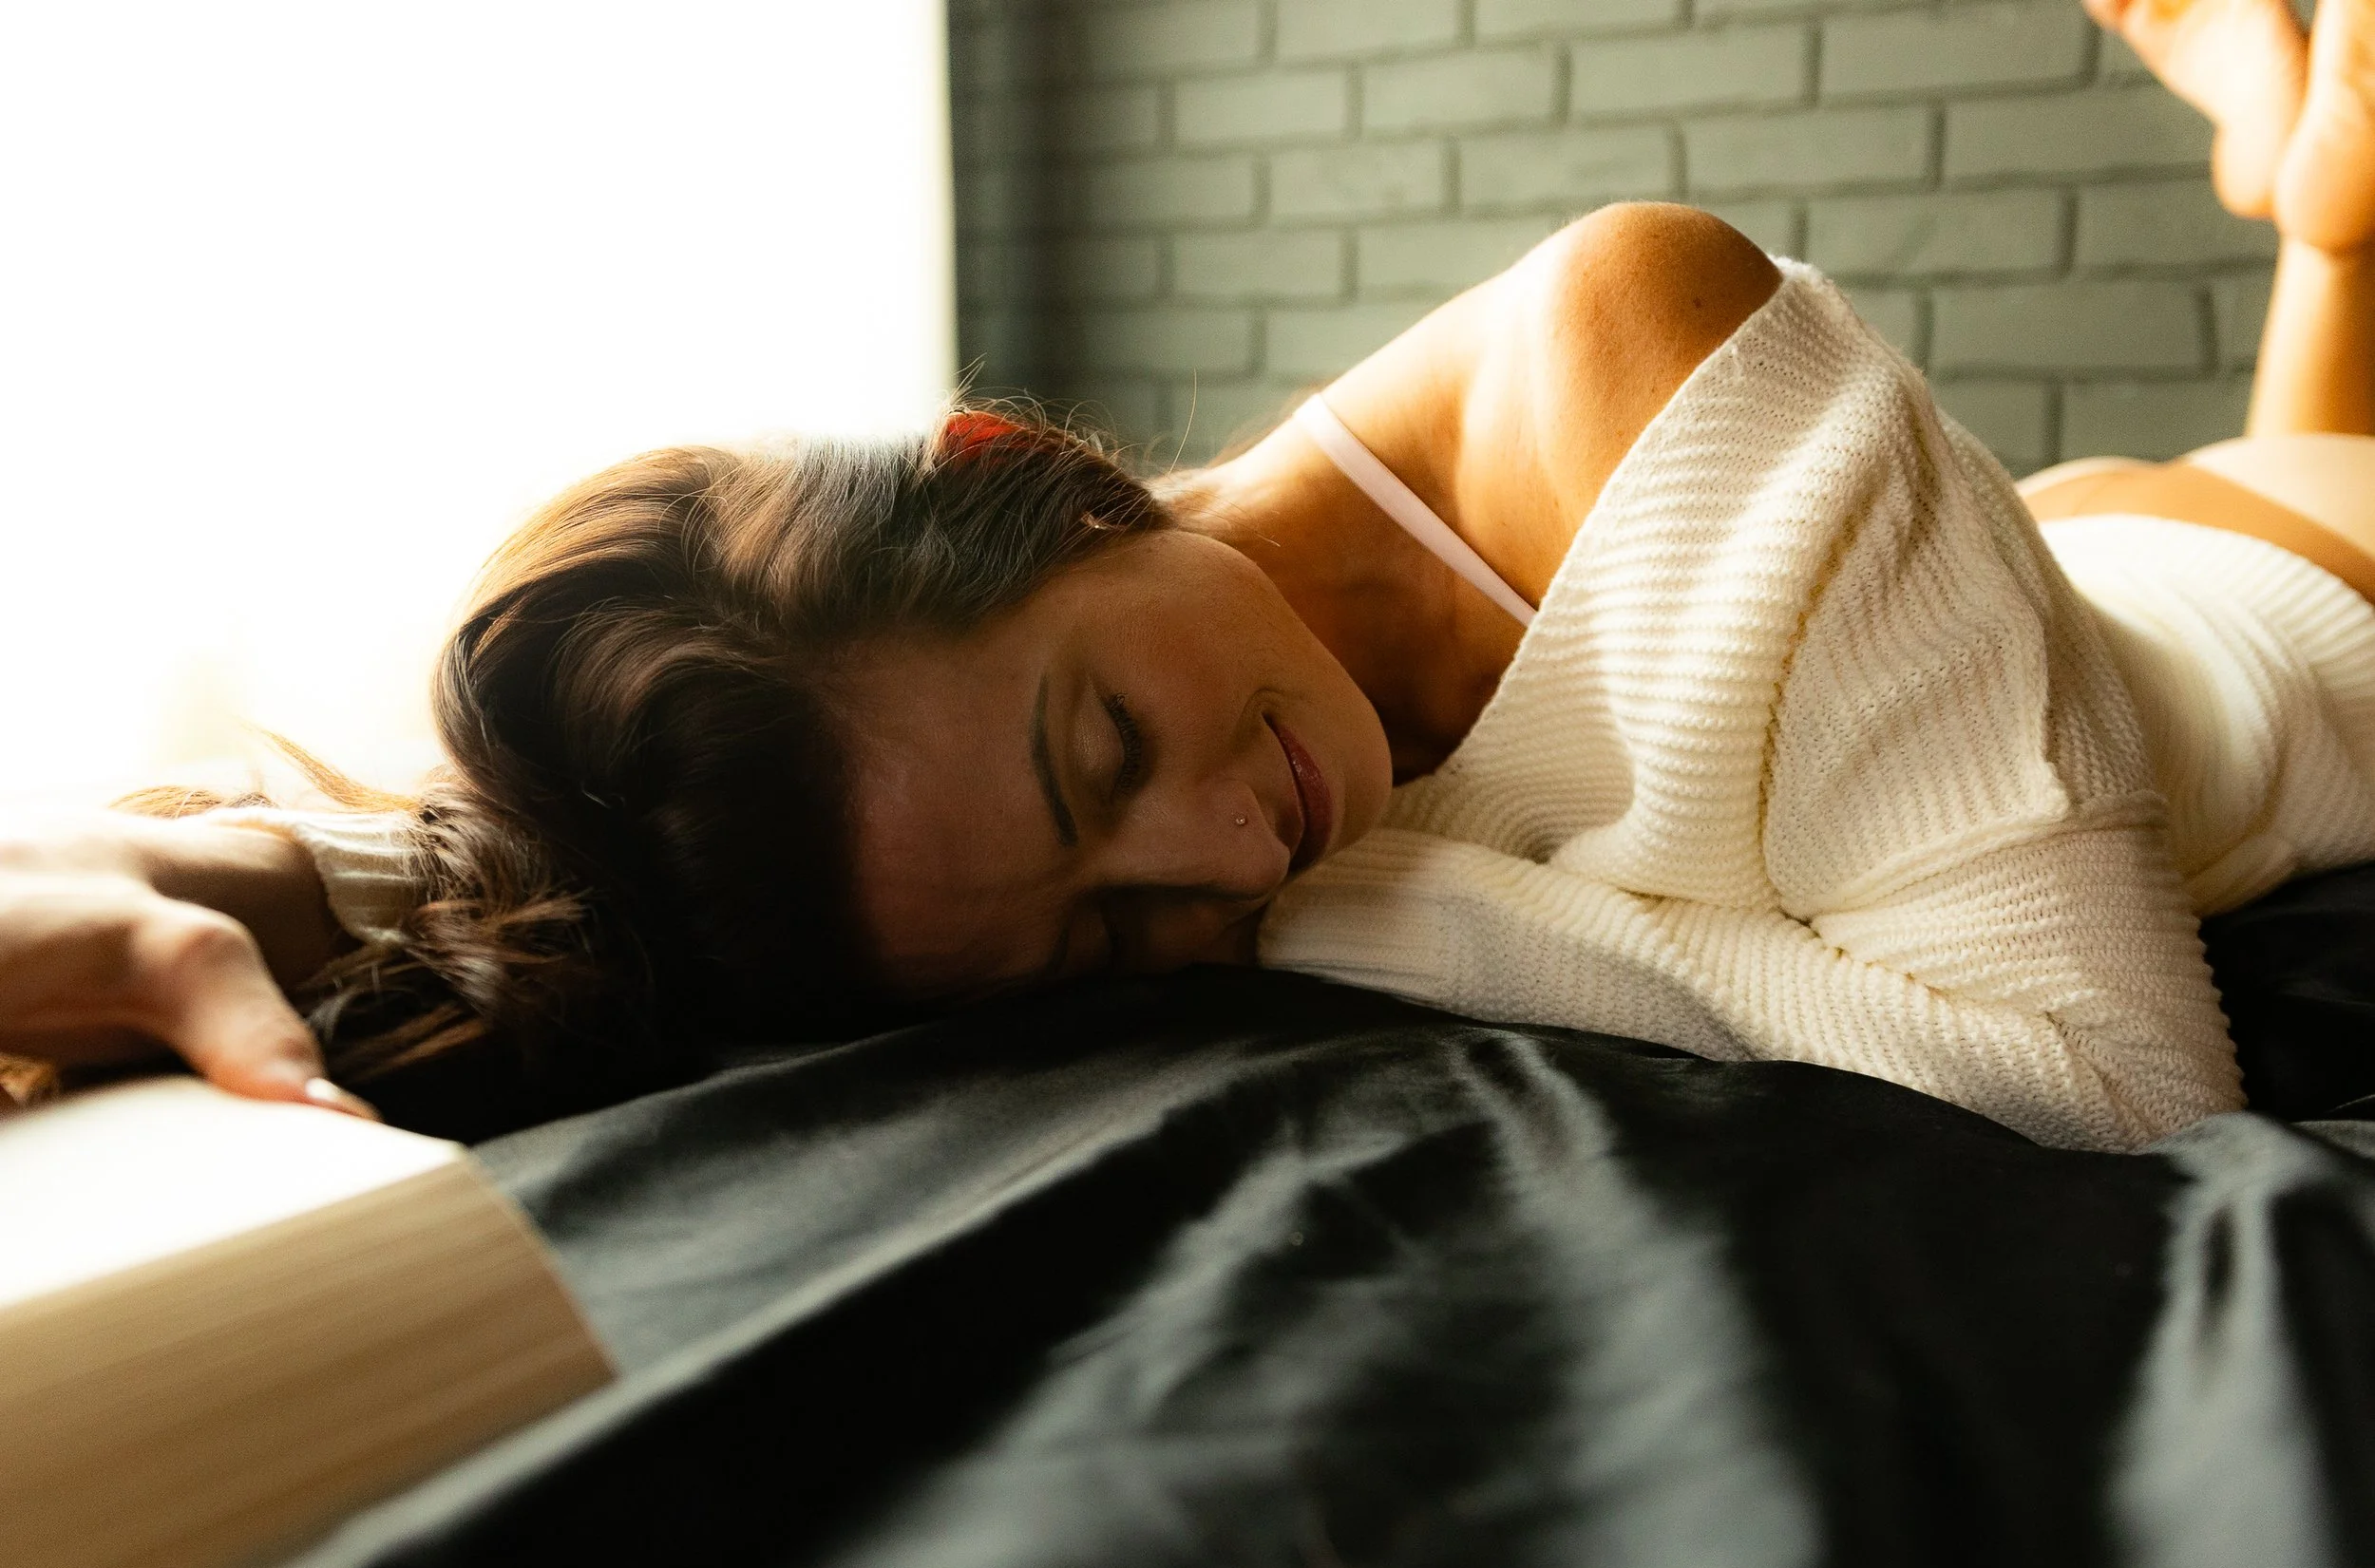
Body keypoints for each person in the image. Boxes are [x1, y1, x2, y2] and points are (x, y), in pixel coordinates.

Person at [8, 0, 2375, 1148]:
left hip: (2297, 610)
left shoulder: (1627, 343)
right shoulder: (922, 788)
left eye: (1103, 747)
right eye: (1104, 932)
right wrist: (248, 870)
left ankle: (2321, 161)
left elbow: (2119, 1084)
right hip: (2059, 577)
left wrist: (1376, 915)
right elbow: (558, 879)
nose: (1227, 862)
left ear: (1022, 470)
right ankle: (2325, 184)